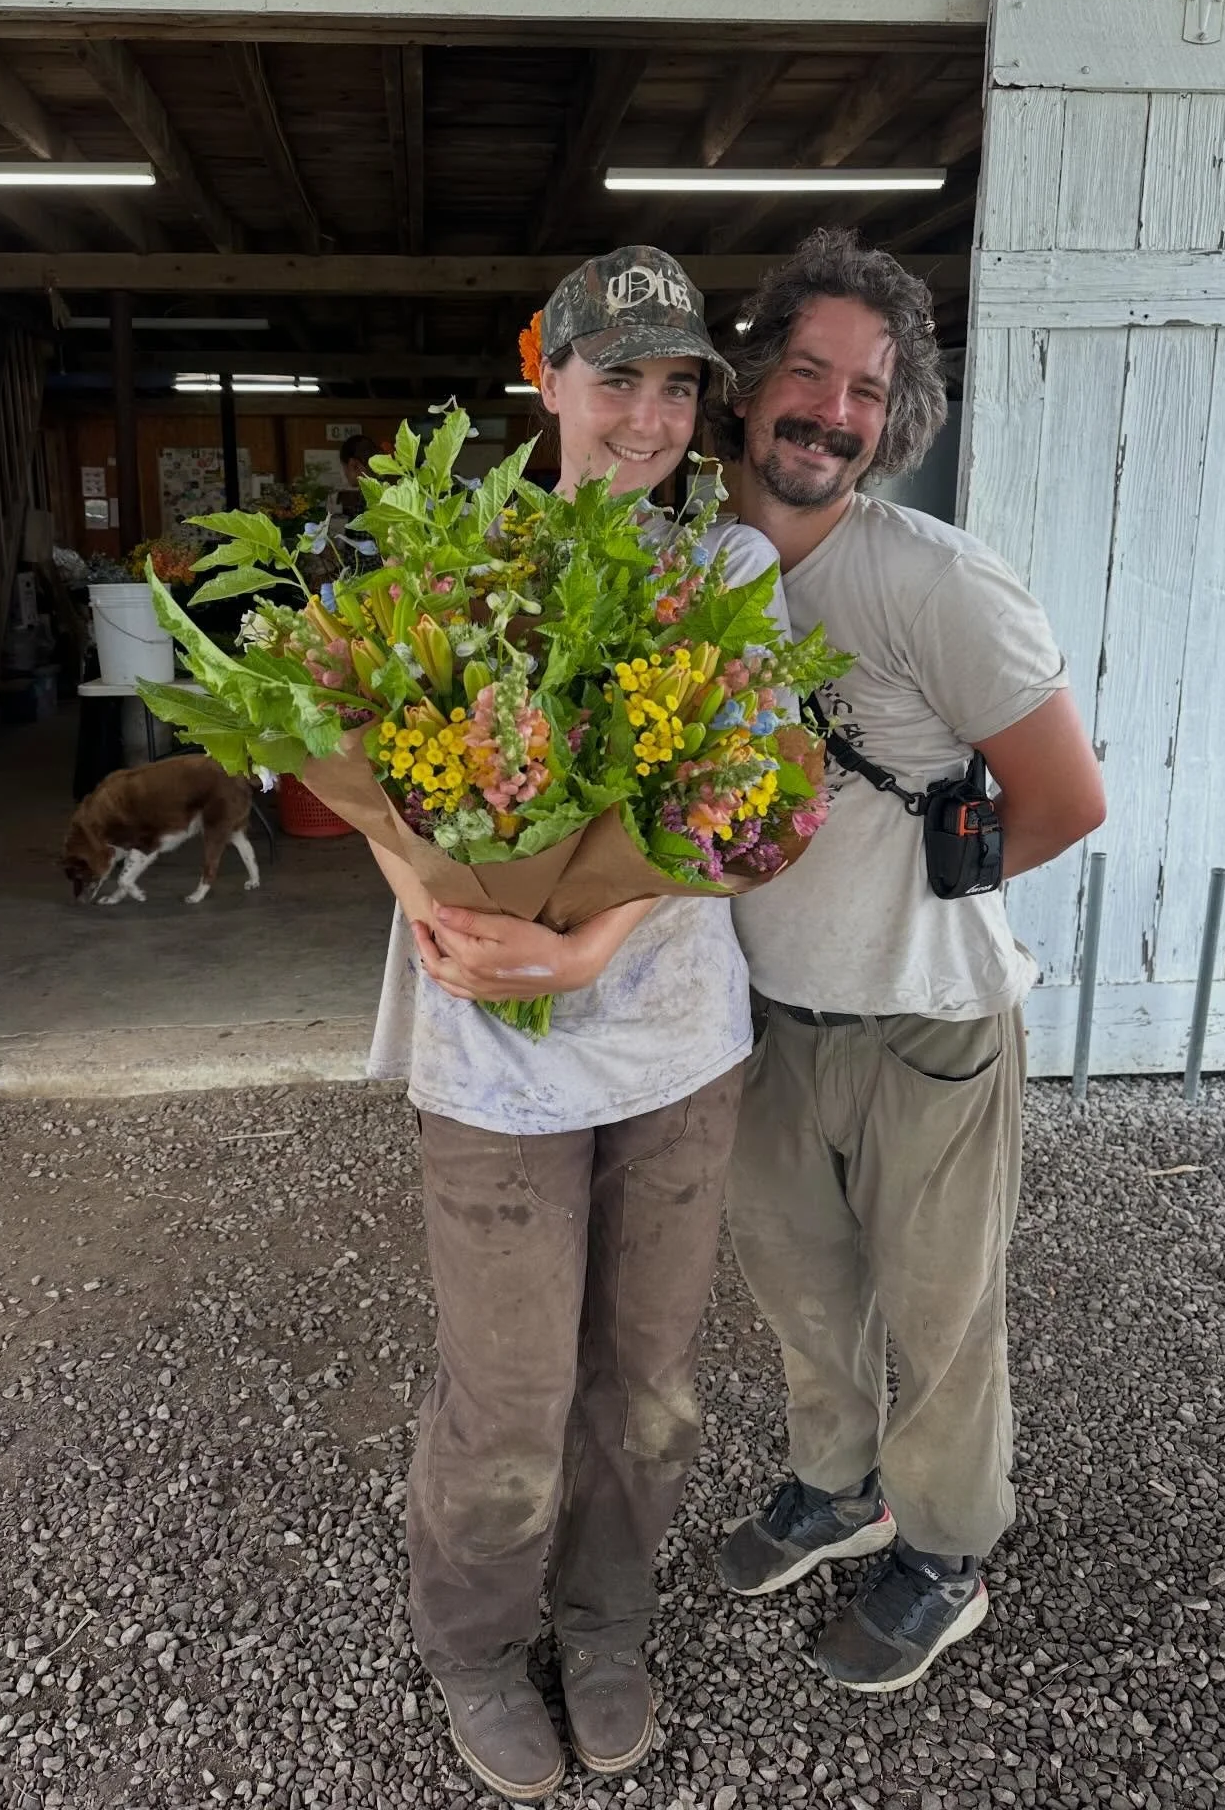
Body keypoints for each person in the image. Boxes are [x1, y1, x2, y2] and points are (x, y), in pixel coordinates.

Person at [365, 246, 780, 1801]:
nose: (651, 418)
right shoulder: (461, 556)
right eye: (619, 379)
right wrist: (423, 885)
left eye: (678, 387)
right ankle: (476, 1644)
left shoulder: (726, 569)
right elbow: (376, 771)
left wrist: (589, 936)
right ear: (547, 378)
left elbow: (741, 795)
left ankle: (607, 1625)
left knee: (646, 1383)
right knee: (511, 1391)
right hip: (491, 1053)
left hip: (675, 1037)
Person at [704, 229, 1106, 1694]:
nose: (832, 412)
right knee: (803, 1288)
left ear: (897, 419)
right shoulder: (695, 569)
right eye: (809, 372)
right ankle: (838, 1487)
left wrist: (927, 893)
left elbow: (1066, 800)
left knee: (941, 1313)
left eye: (868, 391)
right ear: (753, 380)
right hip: (766, 1017)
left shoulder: (939, 585)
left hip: (930, 1025)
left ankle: (944, 1550)